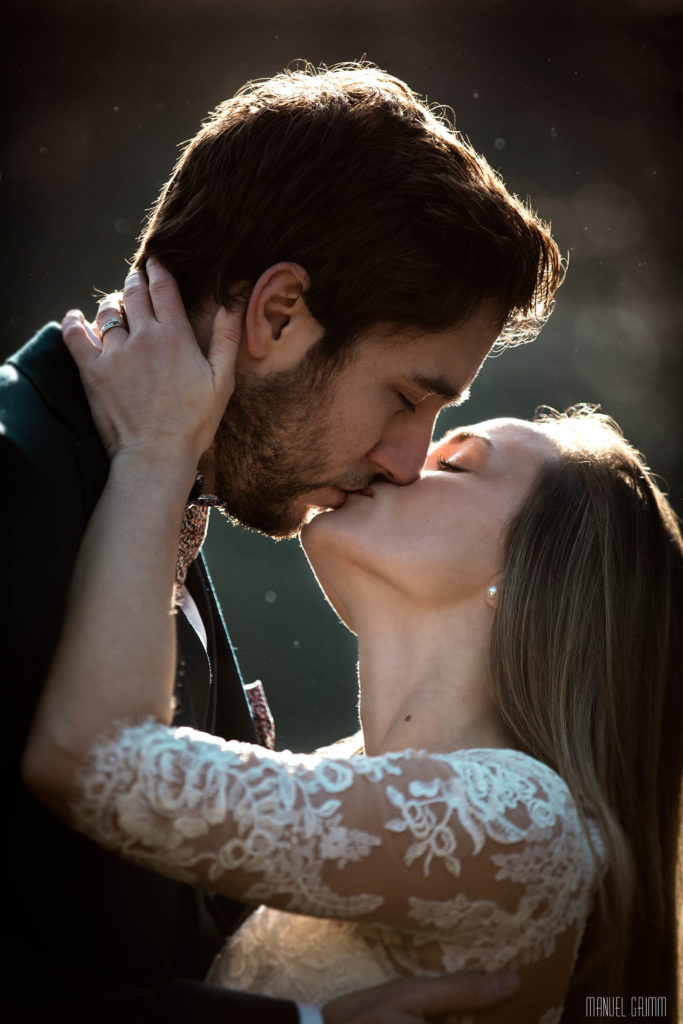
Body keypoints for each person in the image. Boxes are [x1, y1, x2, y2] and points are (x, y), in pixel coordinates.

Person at [2, 63, 561, 1022]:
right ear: (278, 314)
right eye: (406, 397)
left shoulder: (156, 504)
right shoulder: (11, 481)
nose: (405, 461)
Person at [22, 274, 682, 1024]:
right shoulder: (357, 775)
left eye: (455, 463)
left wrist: (157, 450)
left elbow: (95, 761)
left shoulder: (521, 820)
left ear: (534, 582)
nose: (400, 460)